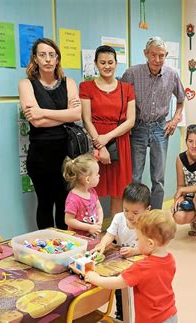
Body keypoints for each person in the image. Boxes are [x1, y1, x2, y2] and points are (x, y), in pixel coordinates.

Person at [85, 209, 178, 323]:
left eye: (138, 240)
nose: (136, 243)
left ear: (150, 243)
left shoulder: (141, 267)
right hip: (171, 316)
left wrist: (96, 278)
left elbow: (118, 282)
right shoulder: (170, 259)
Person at [18, 38, 81, 230]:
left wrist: (43, 112)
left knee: (64, 204)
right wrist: (65, 115)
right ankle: (46, 253)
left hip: (66, 153)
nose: (47, 59)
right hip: (40, 155)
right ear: (35, 59)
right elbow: (35, 121)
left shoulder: (68, 82)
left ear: (57, 58)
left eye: (52, 55)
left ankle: (64, 251)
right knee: (45, 203)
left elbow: (76, 114)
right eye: (42, 55)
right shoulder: (26, 84)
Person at [121, 36, 185, 209]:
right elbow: (121, 101)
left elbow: (181, 100)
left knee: (158, 178)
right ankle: (135, 213)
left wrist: (174, 120)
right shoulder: (132, 73)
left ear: (166, 55)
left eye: (161, 55)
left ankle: (155, 215)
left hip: (160, 128)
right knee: (135, 176)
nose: (157, 60)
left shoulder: (172, 75)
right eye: (153, 55)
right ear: (145, 54)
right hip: (137, 128)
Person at [80, 45, 136, 218]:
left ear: (116, 63)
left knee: (118, 191)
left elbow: (131, 120)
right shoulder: (86, 87)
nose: (107, 66)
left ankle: (114, 233)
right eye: (102, 62)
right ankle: (90, 231)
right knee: (89, 188)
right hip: (94, 140)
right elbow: (86, 119)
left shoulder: (126, 88)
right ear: (96, 64)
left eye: (110, 62)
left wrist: (108, 138)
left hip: (120, 141)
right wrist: (99, 144)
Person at [92, 182, 151, 321]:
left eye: (135, 213)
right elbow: (109, 235)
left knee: (141, 292)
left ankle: (141, 316)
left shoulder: (148, 223)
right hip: (122, 264)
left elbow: (150, 247)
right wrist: (102, 244)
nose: (130, 216)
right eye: (126, 210)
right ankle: (121, 315)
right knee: (120, 289)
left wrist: (135, 250)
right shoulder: (119, 218)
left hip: (141, 264)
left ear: (147, 210)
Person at [62, 154, 103, 237]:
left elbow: (98, 207)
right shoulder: (73, 199)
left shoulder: (92, 191)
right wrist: (89, 227)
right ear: (88, 179)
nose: (99, 175)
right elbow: (68, 220)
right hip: (78, 240)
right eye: (97, 174)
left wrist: (99, 222)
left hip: (92, 236)